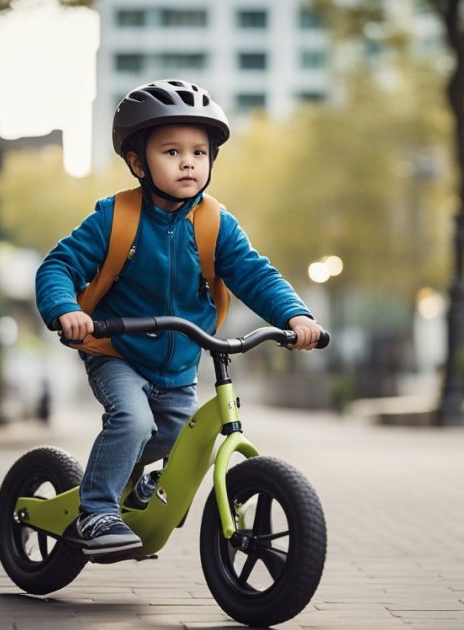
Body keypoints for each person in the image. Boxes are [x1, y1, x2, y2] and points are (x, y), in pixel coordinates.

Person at [35, 79, 324, 557]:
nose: (188, 162)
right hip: (118, 352)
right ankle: (96, 510)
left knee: (179, 434)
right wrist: (65, 309)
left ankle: (141, 486)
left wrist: (295, 315)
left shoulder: (215, 224)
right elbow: (59, 266)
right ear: (137, 163)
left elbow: (255, 274)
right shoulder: (116, 218)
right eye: (171, 151)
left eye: (199, 152)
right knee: (132, 421)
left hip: (179, 365)